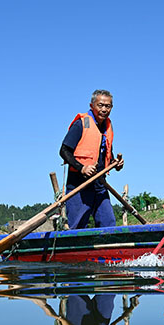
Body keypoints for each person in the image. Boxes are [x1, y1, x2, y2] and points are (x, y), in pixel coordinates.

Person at [60, 90, 124, 229]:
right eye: (100, 105)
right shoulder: (81, 124)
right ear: (92, 105)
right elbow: (64, 151)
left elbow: (106, 154)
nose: (104, 109)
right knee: (77, 226)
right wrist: (82, 167)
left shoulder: (107, 127)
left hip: (100, 185)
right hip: (79, 185)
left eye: (108, 106)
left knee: (109, 224)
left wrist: (115, 163)